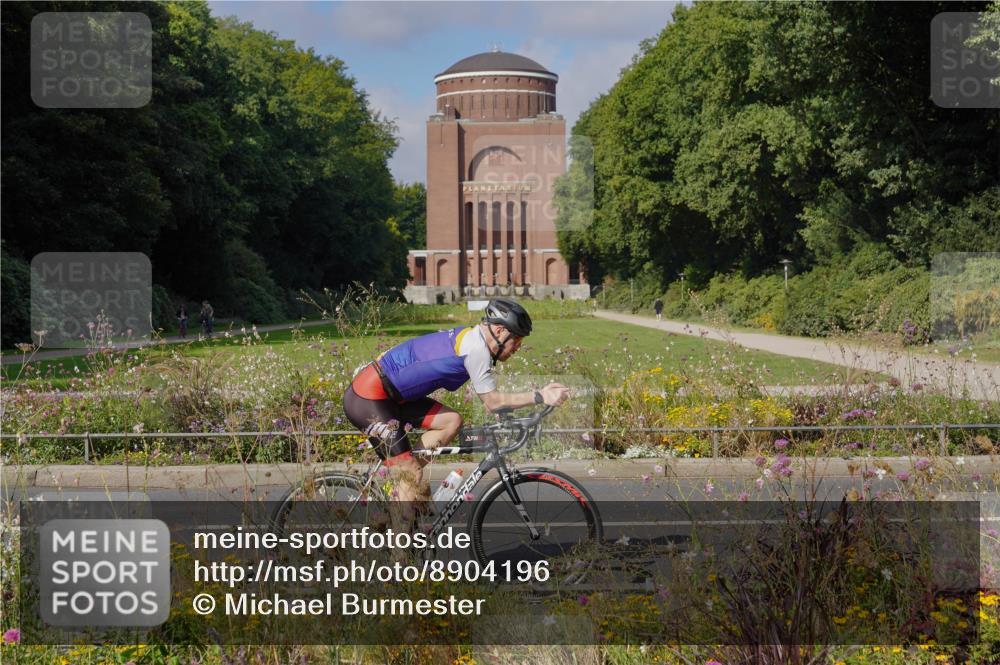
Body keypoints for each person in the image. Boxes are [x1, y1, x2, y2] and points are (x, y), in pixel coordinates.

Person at [342, 298, 570, 527]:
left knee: (451, 421)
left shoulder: (473, 338)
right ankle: (400, 558)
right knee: (411, 473)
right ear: (500, 331)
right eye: (517, 339)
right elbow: (491, 402)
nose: (518, 347)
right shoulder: (476, 349)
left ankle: (404, 490)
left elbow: (493, 400)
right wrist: (540, 396)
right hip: (368, 396)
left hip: (392, 396)